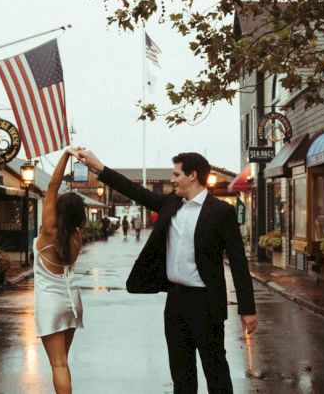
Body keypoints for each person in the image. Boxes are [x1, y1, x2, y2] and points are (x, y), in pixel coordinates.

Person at [78, 149, 257, 394]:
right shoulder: (170, 205)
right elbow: (134, 190)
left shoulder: (220, 212)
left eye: (176, 174)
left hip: (206, 303)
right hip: (175, 302)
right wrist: (100, 167)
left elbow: (238, 262)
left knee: (215, 371)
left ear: (192, 175)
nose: (172, 179)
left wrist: (247, 309)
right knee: (181, 375)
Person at [33, 147, 86, 394]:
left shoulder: (48, 235)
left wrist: (65, 155)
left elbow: (52, 187)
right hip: (72, 301)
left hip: (51, 302)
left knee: (58, 364)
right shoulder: (77, 237)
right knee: (63, 361)